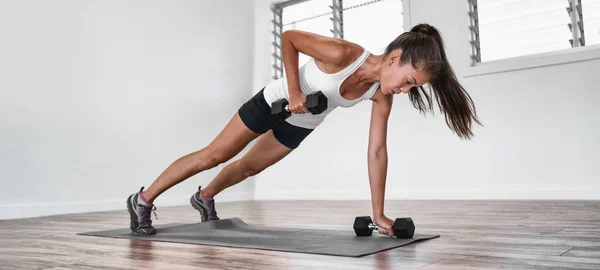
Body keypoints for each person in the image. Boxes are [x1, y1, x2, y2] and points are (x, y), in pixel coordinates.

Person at [126, 23, 481, 237]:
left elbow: (377, 152)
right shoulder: (343, 53)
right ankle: (142, 200)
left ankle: (204, 198)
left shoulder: (380, 96)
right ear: (393, 59)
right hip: (276, 100)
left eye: (411, 88)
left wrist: (378, 213)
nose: (404, 91)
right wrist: (295, 90)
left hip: (303, 121)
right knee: (215, 154)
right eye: (407, 81)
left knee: (250, 166)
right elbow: (290, 37)